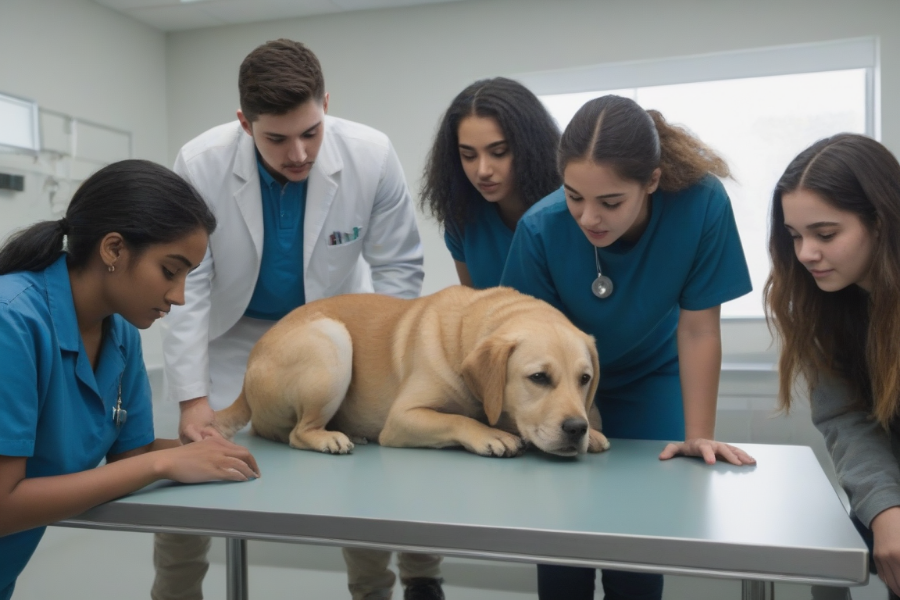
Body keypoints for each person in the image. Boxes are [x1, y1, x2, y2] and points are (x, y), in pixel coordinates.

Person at [152, 39, 431, 600]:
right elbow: (192, 282)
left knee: (364, 472)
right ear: (243, 122)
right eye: (276, 139)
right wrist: (190, 398)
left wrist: (384, 363)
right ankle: (175, 593)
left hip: (335, 337)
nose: (299, 153)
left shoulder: (371, 155)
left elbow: (398, 268)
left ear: (326, 103)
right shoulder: (200, 162)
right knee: (184, 473)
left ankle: (372, 590)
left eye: (311, 131)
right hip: (229, 339)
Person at [499, 95, 757, 600]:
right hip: (562, 389)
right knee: (562, 546)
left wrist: (700, 435)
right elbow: (526, 346)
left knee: (638, 546)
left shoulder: (702, 205)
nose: (588, 218)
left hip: (653, 376)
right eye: (574, 196)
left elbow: (700, 329)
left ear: (653, 181)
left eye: (610, 202)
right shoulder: (539, 228)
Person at [0, 160, 260, 600]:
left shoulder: (118, 331)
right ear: (114, 250)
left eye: (187, 278)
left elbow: (130, 455)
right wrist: (161, 463)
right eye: (170, 271)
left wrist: (202, 450)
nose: (178, 297)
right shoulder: (12, 322)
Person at [764, 133, 900, 599]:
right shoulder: (827, 307)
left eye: (825, 235)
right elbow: (848, 419)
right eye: (795, 236)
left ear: (880, 223)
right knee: (828, 560)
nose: (805, 254)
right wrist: (886, 510)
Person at [420, 76, 561, 288]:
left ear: (532, 149)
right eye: (468, 156)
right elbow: (476, 308)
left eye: (499, 152)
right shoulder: (461, 217)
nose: (483, 171)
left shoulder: (569, 211)